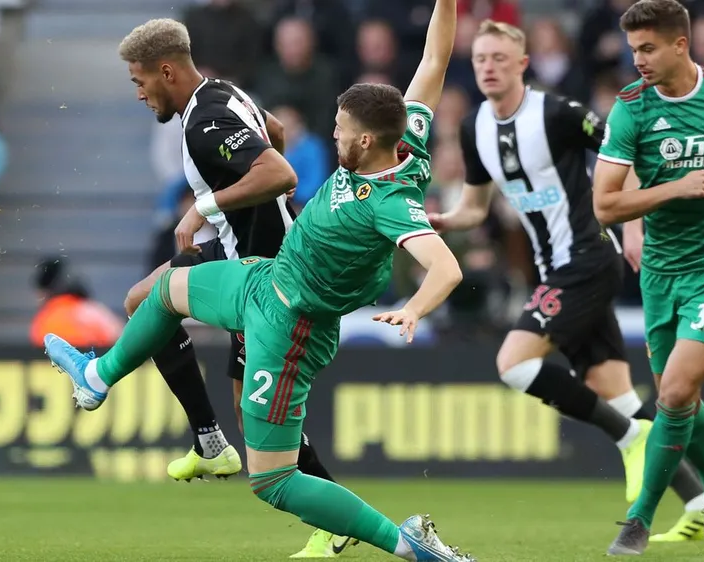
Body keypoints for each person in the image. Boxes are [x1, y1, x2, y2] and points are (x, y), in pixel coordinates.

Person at [45, 2, 476, 560]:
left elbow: (447, 267)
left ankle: (405, 543)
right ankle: (98, 378)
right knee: (161, 293)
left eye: (340, 129)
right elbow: (434, 60)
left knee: (271, 479)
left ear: (366, 142)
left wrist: (416, 308)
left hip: (291, 324)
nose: (332, 134)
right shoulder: (405, 140)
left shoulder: (391, 203)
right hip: (264, 277)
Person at [430, 18, 704, 542]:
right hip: (554, 268)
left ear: (522, 64)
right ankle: (703, 492)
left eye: (498, 58)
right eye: (479, 60)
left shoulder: (556, 113)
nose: (488, 68)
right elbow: (474, 206)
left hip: (586, 258)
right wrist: (443, 222)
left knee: (512, 363)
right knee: (619, 394)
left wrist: (633, 223)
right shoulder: (472, 128)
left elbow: (625, 154)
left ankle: (629, 440)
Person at [112, 18, 353, 558]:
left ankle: (324, 509)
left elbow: (282, 171)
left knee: (150, 305)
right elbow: (276, 131)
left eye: (139, 81)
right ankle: (210, 441)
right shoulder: (221, 91)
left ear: (166, 70)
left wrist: (205, 206)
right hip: (246, 253)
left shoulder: (204, 123)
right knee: (146, 304)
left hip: (269, 275)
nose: (138, 93)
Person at [592, 0, 704, 555]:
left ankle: (638, 520)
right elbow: (604, 207)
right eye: (632, 48)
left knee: (672, 393)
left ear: (680, 45)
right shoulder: (631, 110)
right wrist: (674, 188)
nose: (636, 58)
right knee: (680, 397)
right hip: (662, 274)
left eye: (647, 48)